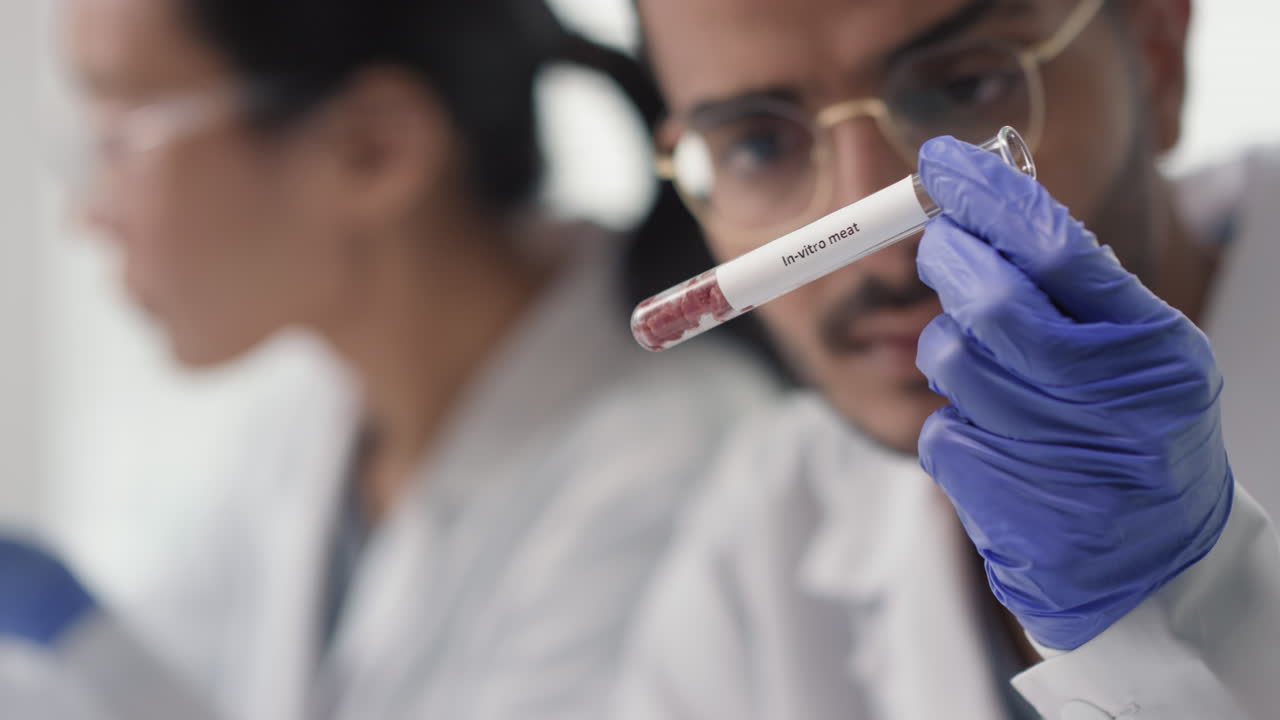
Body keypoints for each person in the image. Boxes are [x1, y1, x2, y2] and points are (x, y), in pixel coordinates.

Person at [0, 0, 777, 718]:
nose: (87, 215)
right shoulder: (318, 413)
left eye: (120, 135)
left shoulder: (668, 480)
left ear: (373, 148)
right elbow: (181, 684)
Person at [613, 0, 1280, 717]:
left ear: (1158, 57)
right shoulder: (759, 550)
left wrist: (1187, 613)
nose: (880, 251)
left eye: (963, 87)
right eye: (757, 146)